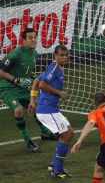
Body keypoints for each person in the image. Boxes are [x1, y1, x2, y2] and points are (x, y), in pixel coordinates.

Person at [0, 28, 56, 152]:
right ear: (24, 40)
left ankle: (45, 133)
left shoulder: (34, 53)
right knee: (19, 110)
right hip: (7, 87)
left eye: (35, 37)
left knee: (36, 108)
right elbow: (1, 72)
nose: (33, 40)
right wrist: (15, 80)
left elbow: (26, 70)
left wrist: (33, 76)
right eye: (30, 37)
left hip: (21, 87)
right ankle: (28, 141)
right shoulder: (15, 54)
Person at [28, 45, 74, 179]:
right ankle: (57, 170)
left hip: (52, 109)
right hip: (47, 110)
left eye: (66, 55)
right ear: (55, 56)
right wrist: (59, 93)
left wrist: (32, 100)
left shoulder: (56, 68)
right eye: (61, 55)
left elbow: (37, 80)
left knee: (70, 132)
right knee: (65, 136)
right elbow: (42, 84)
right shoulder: (54, 68)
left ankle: (54, 165)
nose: (64, 57)